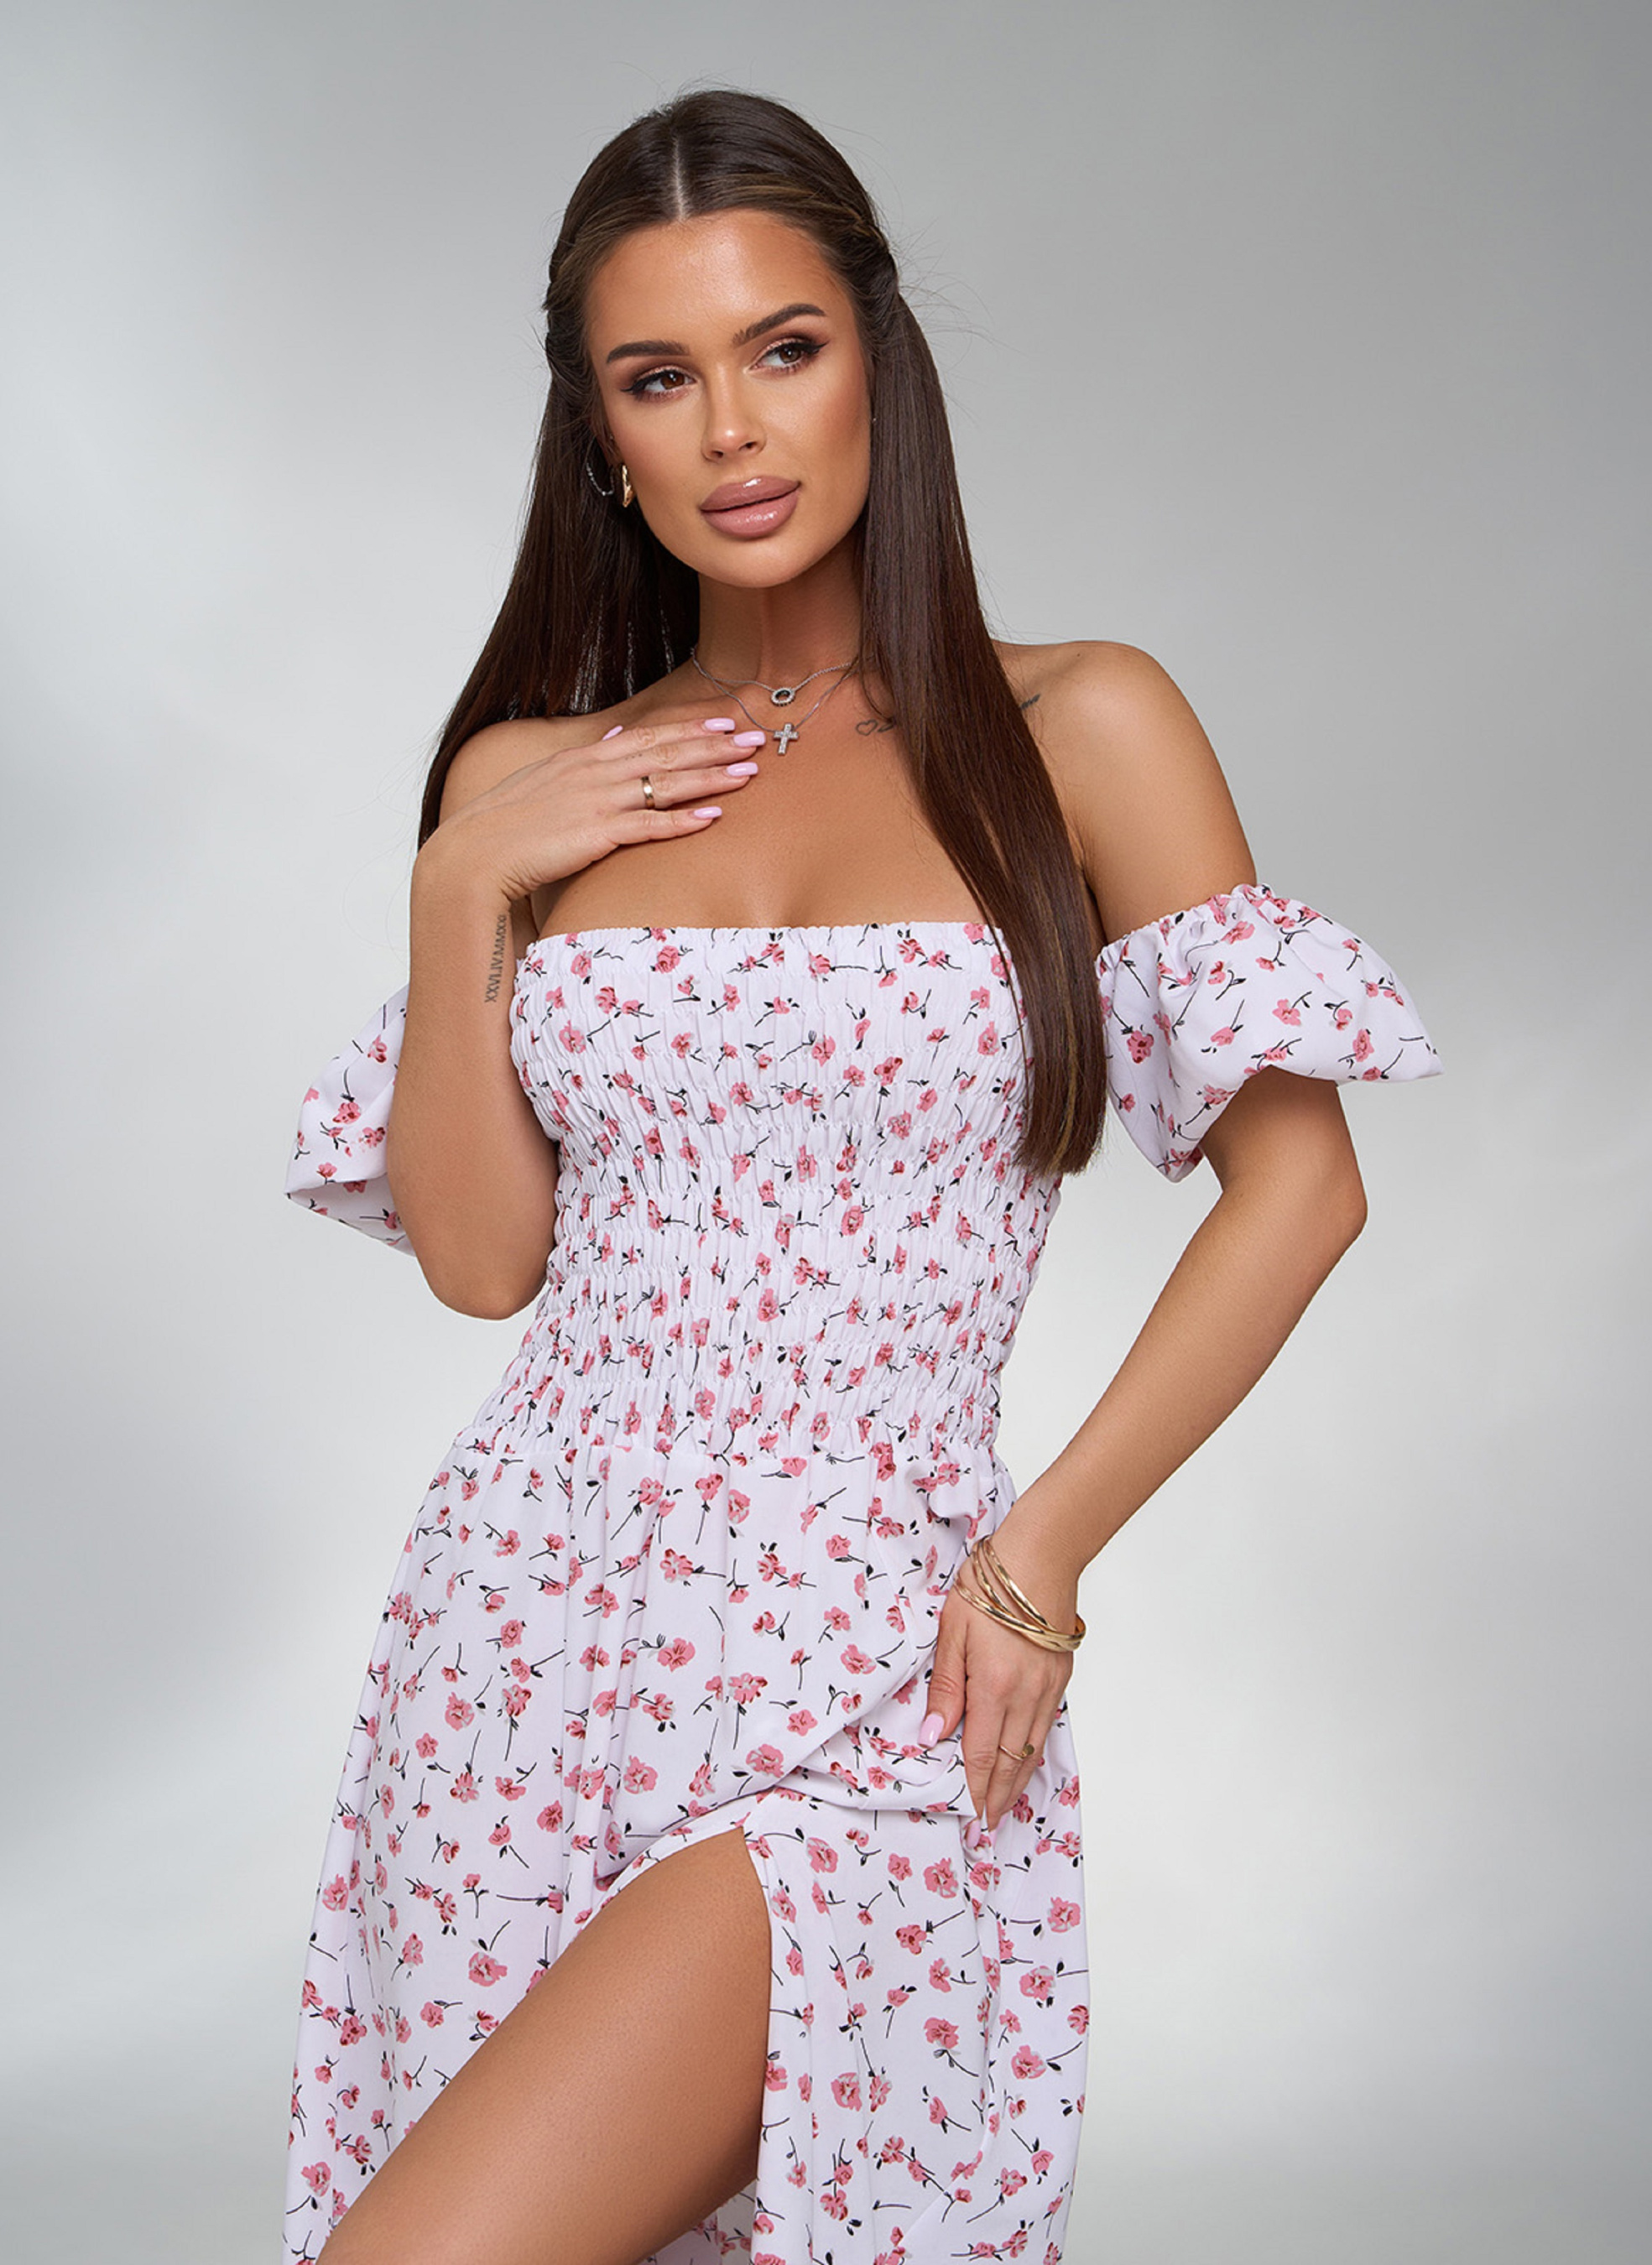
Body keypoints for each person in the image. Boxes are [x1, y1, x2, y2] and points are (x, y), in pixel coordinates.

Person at [280, 86, 1441, 2265]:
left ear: (876, 360)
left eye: (782, 347)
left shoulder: (1079, 726)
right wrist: (459, 888)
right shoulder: (532, 777)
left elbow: (1302, 1191)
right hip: (518, 1645)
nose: (732, 428)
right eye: (659, 376)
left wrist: (1037, 1557)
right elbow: (483, 1262)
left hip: (866, 1648)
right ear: (600, 429)